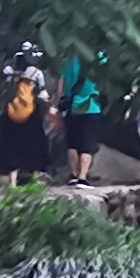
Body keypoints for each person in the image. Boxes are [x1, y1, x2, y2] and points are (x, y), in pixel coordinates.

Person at [0, 43, 60, 187]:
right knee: (33, 143)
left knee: (11, 145)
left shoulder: (9, 71)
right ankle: (34, 178)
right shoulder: (35, 73)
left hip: (11, 112)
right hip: (31, 114)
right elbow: (42, 93)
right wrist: (50, 107)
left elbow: (1, 89)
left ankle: (12, 181)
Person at [57, 50, 113, 184]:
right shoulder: (99, 58)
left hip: (71, 105)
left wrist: (59, 100)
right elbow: (106, 79)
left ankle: (73, 175)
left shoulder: (69, 58)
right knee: (87, 145)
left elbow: (61, 80)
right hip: (92, 106)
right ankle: (82, 178)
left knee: (73, 144)